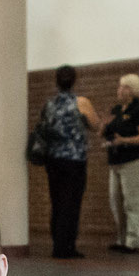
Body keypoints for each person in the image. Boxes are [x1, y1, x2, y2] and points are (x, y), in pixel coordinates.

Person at [36, 64, 100, 259]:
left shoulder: (49, 104)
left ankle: (57, 244)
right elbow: (95, 125)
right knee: (71, 202)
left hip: (53, 160)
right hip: (74, 160)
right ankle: (67, 246)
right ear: (74, 80)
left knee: (56, 201)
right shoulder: (81, 102)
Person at [102, 73, 139, 253]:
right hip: (115, 161)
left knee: (132, 202)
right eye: (120, 86)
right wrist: (105, 129)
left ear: (132, 91)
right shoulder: (116, 110)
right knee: (115, 200)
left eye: (124, 87)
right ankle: (121, 238)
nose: (119, 90)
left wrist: (124, 140)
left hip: (135, 161)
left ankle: (133, 240)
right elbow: (106, 131)